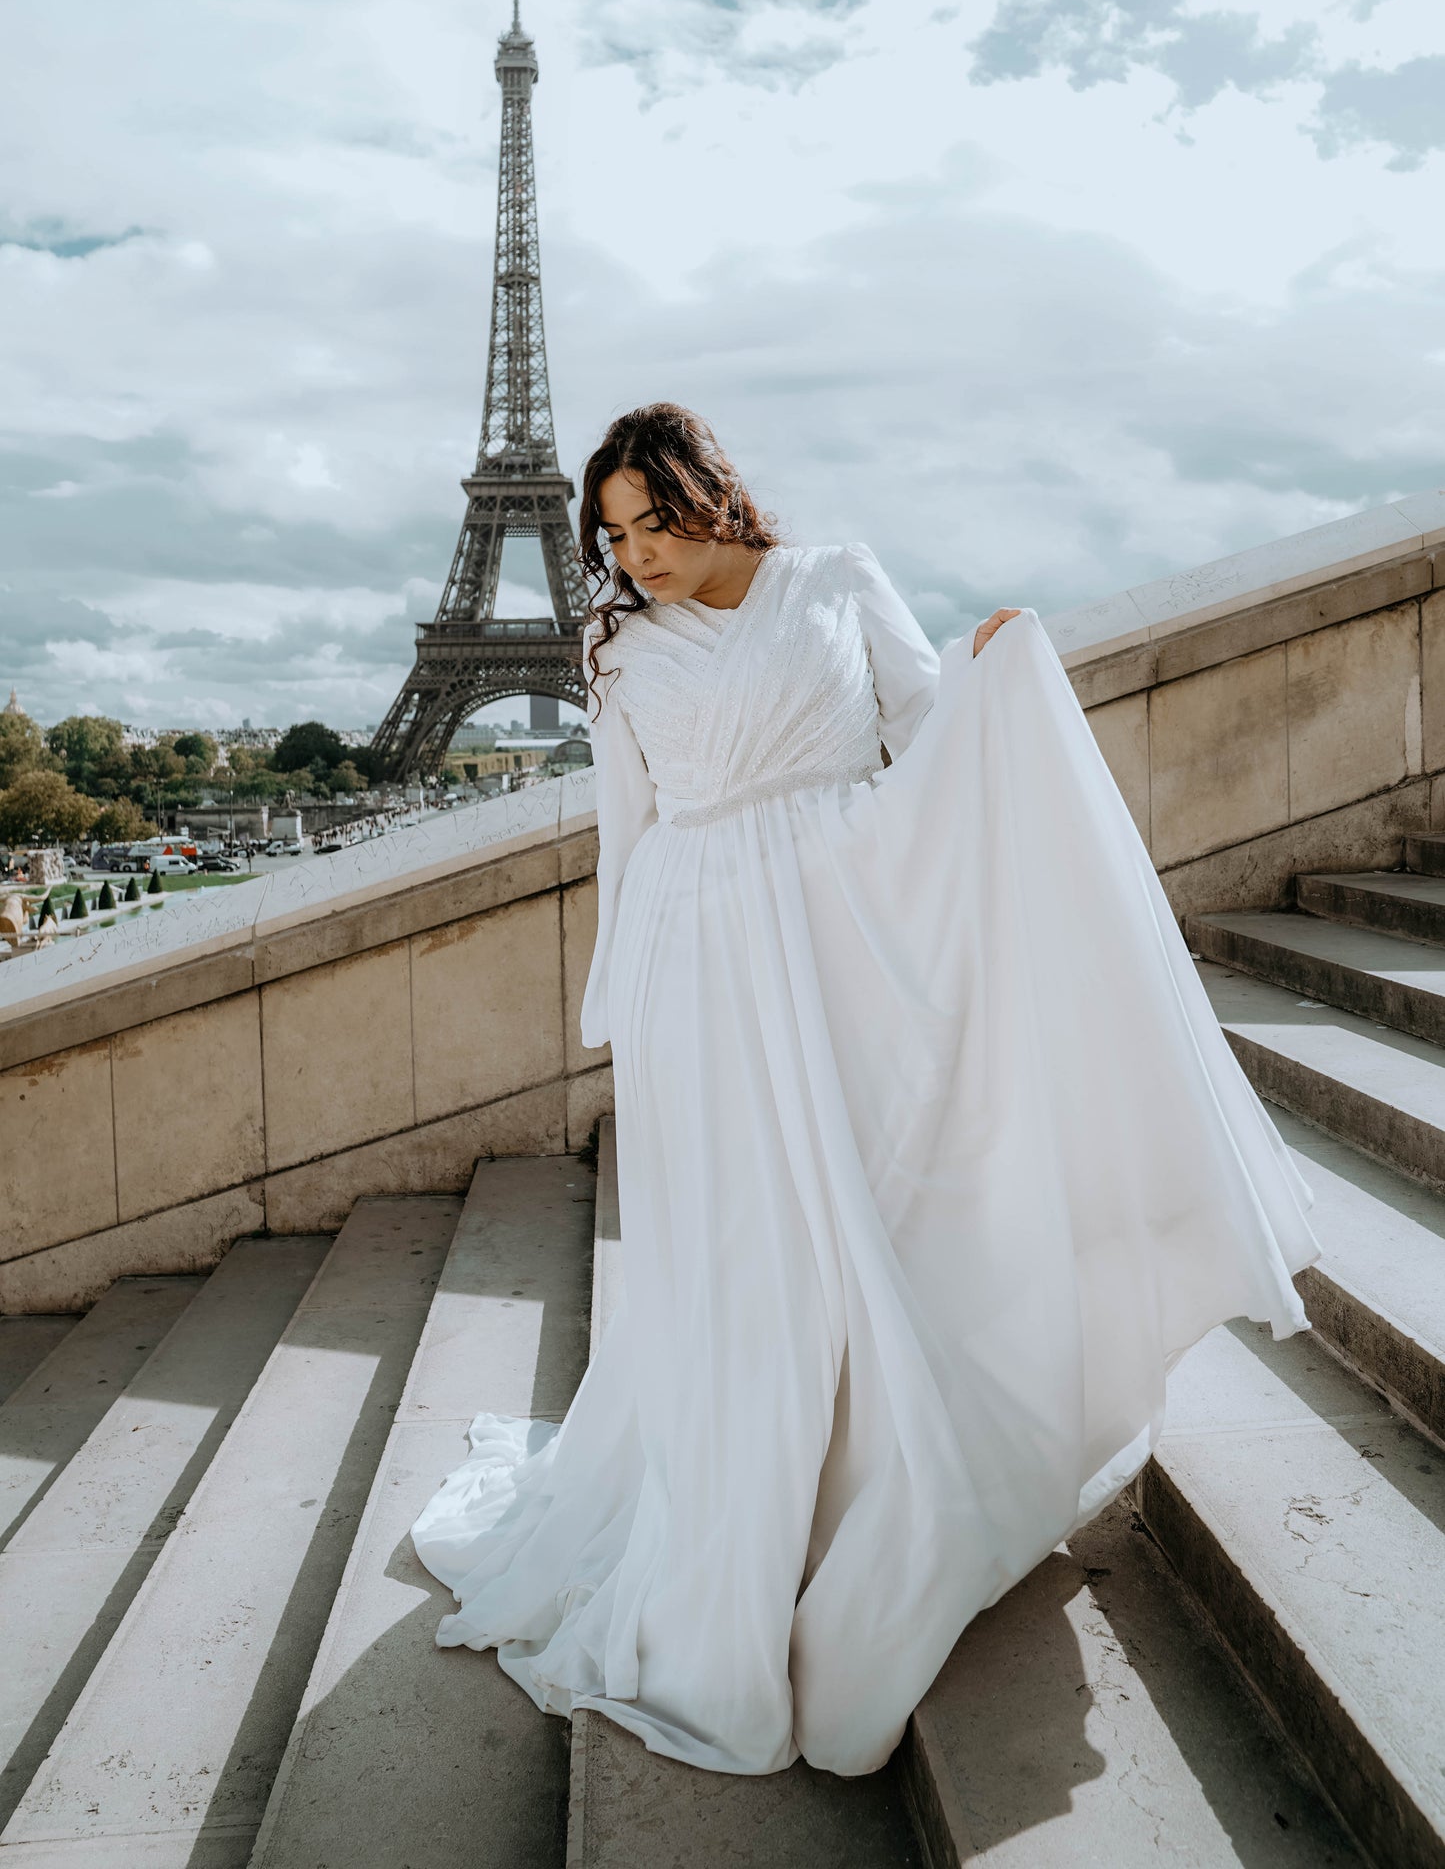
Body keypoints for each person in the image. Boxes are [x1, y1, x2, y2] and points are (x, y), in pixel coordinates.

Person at [410, 402, 1318, 1778]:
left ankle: (866, 1480)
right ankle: (744, 1497)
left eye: (654, 519)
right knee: (744, 1239)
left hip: (844, 930)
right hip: (695, 954)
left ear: (711, 492)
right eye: (614, 535)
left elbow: (936, 739)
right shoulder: (619, 650)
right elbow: (626, 828)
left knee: (872, 1201)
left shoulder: (836, 580)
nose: (638, 555)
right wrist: (618, 999)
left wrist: (997, 672)